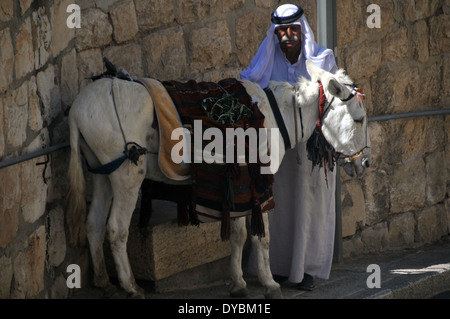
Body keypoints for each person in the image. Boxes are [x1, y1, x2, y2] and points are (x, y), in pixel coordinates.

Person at [240, 4, 338, 291]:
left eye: (293, 29)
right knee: (278, 209)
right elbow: (250, 86)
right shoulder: (266, 62)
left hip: (310, 151)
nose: (287, 35)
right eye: (281, 30)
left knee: (308, 208)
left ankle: (304, 271)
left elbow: (332, 103)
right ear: (276, 33)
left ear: (301, 30)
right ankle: (276, 269)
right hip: (278, 151)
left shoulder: (322, 61)